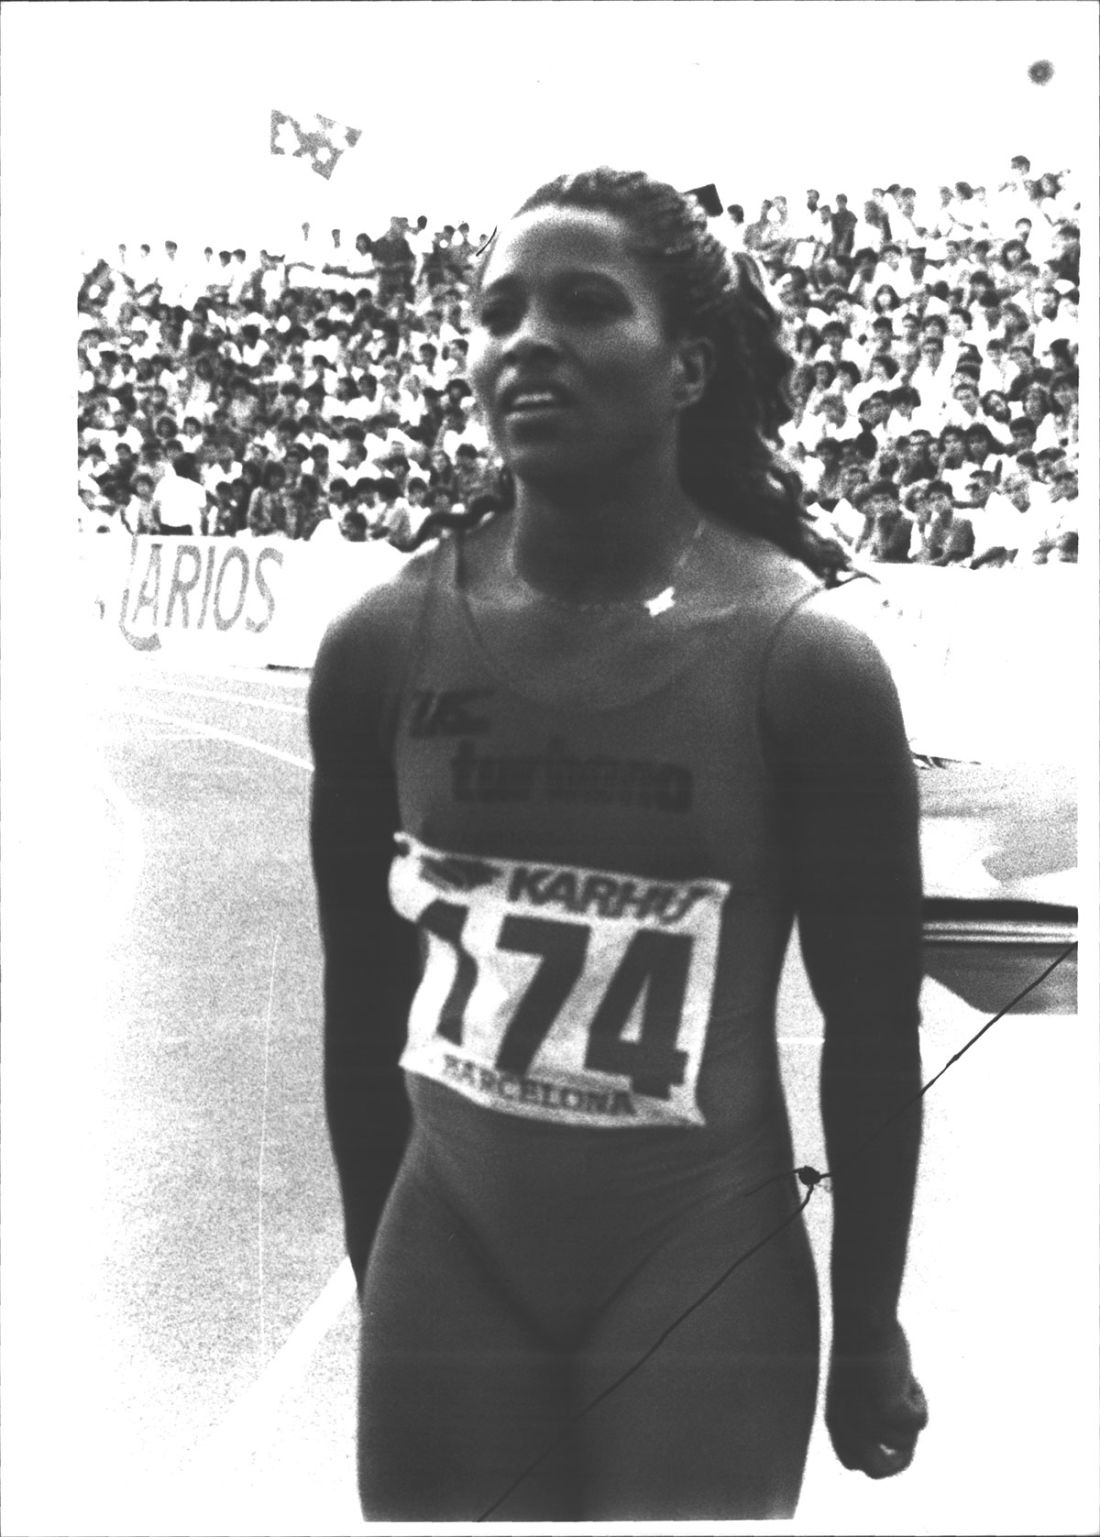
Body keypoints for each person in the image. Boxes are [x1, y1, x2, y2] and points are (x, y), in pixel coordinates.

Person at [309, 168, 927, 1522]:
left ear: (689, 363)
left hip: (700, 1256)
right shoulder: (379, 647)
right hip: (450, 1246)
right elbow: (363, 1008)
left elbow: (878, 1034)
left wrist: (869, 1319)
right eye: (497, 311)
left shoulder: (804, 661)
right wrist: (380, 1261)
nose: (526, 338)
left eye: (585, 305)